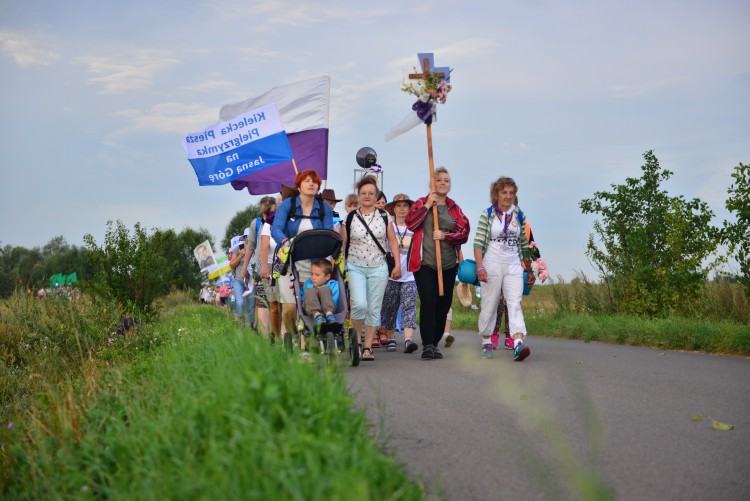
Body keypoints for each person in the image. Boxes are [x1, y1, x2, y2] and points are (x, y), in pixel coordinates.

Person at [405, 166, 470, 360]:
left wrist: (445, 235)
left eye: (446, 180)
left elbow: (464, 232)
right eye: (439, 180)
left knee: (444, 303)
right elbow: (410, 223)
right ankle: (428, 344)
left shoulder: (454, 208)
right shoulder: (421, 203)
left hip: (448, 264)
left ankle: (435, 340)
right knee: (429, 300)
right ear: (432, 184)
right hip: (425, 262)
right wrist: (426, 207)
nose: (443, 183)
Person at [271, 169, 333, 357]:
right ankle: (289, 337)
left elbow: (329, 233)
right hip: (289, 261)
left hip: (314, 264)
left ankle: (304, 346)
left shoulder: (324, 209)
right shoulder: (287, 206)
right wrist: (284, 241)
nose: (311, 184)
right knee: (290, 306)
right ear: (299, 185)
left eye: (314, 182)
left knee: (307, 305)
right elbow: (276, 229)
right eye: (307, 181)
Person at [473, 176, 536, 361]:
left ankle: (517, 343)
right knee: (490, 304)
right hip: (492, 262)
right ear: (497, 194)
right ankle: (486, 342)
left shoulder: (519, 215)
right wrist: (480, 266)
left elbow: (524, 244)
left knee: (514, 302)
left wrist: (530, 270)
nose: (508, 196)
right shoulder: (488, 214)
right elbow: (478, 243)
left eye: (511, 193)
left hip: (513, 264)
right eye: (504, 192)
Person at [341, 175, 402, 361]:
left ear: (377, 197)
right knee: (359, 304)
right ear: (358, 196)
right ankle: (355, 342)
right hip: (355, 265)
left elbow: (392, 241)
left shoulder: (385, 216)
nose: (367, 196)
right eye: (363, 193)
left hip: (379, 267)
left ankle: (367, 348)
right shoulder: (350, 217)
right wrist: (341, 267)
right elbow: (343, 244)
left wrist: (397, 265)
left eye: (371, 193)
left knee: (374, 308)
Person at [382, 194, 419, 353]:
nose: (402, 209)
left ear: (410, 209)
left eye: (405, 205)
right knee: (389, 305)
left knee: (409, 305)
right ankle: (390, 337)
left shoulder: (415, 227)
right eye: (398, 206)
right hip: (391, 273)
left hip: (410, 274)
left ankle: (408, 339)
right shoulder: (388, 226)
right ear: (394, 209)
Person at [259, 196, 282, 341]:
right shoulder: (267, 225)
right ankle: (277, 337)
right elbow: (264, 247)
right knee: (274, 305)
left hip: (285, 264)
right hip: (270, 264)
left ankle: (287, 334)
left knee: (285, 304)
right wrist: (264, 269)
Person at [301, 259, 340, 327]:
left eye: (317, 275)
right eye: (312, 274)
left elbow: (335, 300)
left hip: (329, 308)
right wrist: (302, 301)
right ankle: (318, 316)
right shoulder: (308, 283)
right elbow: (302, 296)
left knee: (324, 289)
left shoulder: (333, 284)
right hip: (312, 309)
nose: (313, 277)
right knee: (310, 291)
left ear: (327, 276)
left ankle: (329, 315)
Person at [228, 236, 254, 325]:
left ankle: (252, 327)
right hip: (238, 281)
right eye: (247, 236)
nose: (250, 237)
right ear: (245, 238)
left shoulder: (256, 247)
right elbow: (231, 265)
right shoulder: (238, 248)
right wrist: (240, 255)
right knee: (240, 303)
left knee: (251, 306)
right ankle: (241, 325)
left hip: (251, 281)